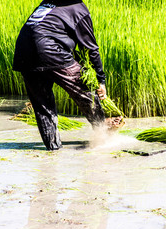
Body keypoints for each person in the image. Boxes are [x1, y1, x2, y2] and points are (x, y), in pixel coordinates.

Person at [13, 0, 110, 150]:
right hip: (50, 51)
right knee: (86, 94)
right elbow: (91, 48)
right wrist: (100, 80)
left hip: (24, 53)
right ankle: (104, 140)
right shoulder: (78, 8)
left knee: (43, 107)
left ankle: (53, 151)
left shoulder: (47, 3)